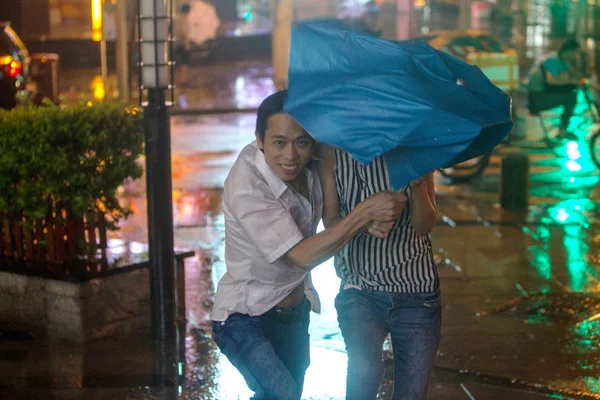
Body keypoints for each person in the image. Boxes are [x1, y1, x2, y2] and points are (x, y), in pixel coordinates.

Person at [211, 90, 407, 400]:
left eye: (301, 142)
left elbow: (334, 216)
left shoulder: (315, 160)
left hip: (293, 314)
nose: (290, 155)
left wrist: (372, 216)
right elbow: (301, 255)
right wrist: (365, 213)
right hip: (243, 317)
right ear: (259, 139)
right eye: (279, 142)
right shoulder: (247, 184)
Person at [318, 145, 440, 400]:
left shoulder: (414, 145)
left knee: (412, 393)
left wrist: (418, 186)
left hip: (417, 292)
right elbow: (330, 219)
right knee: (363, 375)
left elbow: (424, 225)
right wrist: (363, 219)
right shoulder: (331, 153)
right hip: (359, 288)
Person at [528, 38, 584, 140]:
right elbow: (552, 81)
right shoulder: (552, 60)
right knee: (571, 97)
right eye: (575, 52)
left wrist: (583, 79)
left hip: (542, 94)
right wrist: (571, 83)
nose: (576, 56)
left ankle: (563, 129)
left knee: (571, 94)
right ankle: (562, 131)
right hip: (537, 99)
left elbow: (573, 73)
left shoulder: (560, 60)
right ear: (568, 51)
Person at [173, 3, 191, 87]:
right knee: (184, 63)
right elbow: (184, 33)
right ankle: (183, 80)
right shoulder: (185, 19)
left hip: (175, 44)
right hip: (183, 44)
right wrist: (187, 44)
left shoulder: (175, 18)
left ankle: (176, 80)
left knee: (176, 63)